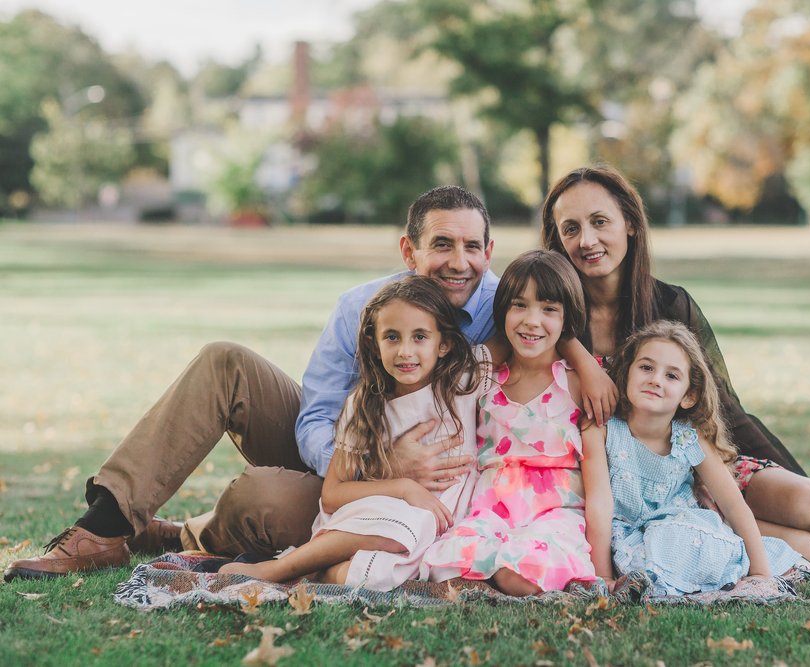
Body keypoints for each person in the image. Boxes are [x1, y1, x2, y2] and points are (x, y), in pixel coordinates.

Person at [4, 186, 501, 582]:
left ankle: (186, 536)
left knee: (262, 497)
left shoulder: (510, 311)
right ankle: (104, 529)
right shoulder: (361, 308)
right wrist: (374, 466)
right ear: (408, 251)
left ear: (489, 251)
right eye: (441, 244)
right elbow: (317, 416)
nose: (459, 262)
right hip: (351, 468)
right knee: (225, 361)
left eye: (471, 246)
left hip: (444, 496)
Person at [541, 165, 810, 562]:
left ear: (630, 224)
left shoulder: (669, 304)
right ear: (558, 239)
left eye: (600, 222)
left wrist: (789, 472)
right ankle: (713, 532)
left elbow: (724, 407)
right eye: (572, 228)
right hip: (611, 482)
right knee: (805, 545)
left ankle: (718, 520)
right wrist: (581, 359)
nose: (588, 240)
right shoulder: (550, 315)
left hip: (685, 464)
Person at [219, 276, 488, 589]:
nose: (405, 351)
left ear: (444, 344)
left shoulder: (465, 381)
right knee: (413, 523)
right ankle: (278, 569)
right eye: (392, 337)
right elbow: (333, 495)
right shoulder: (366, 406)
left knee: (381, 574)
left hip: (438, 528)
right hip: (370, 519)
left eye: (419, 337)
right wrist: (403, 488)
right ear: (374, 344)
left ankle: (316, 572)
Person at [583, 321, 810, 595]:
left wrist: (761, 573)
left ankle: (715, 569)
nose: (656, 379)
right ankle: (655, 579)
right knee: (660, 545)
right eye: (646, 368)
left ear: (689, 396)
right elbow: (599, 503)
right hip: (628, 537)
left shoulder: (687, 437)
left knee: (802, 549)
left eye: (672, 376)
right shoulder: (603, 430)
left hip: (683, 530)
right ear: (626, 373)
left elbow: (733, 504)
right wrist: (603, 575)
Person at [422, 250, 596, 596]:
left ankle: (505, 573)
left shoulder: (578, 383)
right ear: (502, 312)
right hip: (490, 509)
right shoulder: (486, 379)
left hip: (555, 514)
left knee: (523, 573)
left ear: (567, 319)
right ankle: (494, 570)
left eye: (549, 309)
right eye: (519, 305)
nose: (532, 320)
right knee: (447, 566)